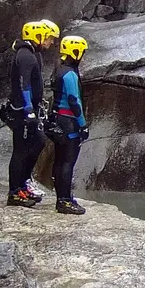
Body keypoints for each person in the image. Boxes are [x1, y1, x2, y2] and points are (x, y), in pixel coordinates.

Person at [3, 19, 58, 207]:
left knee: (37, 143)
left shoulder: (33, 54)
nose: (51, 43)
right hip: (21, 111)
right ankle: (15, 191)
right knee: (21, 150)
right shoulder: (25, 55)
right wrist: (28, 111)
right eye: (49, 38)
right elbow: (23, 84)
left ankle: (23, 184)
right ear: (38, 36)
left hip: (29, 109)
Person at [49, 35, 89, 216]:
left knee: (59, 160)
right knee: (67, 162)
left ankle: (63, 197)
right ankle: (64, 200)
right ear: (76, 51)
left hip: (58, 119)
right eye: (82, 52)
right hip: (68, 122)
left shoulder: (59, 69)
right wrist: (83, 125)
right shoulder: (70, 74)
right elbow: (74, 100)